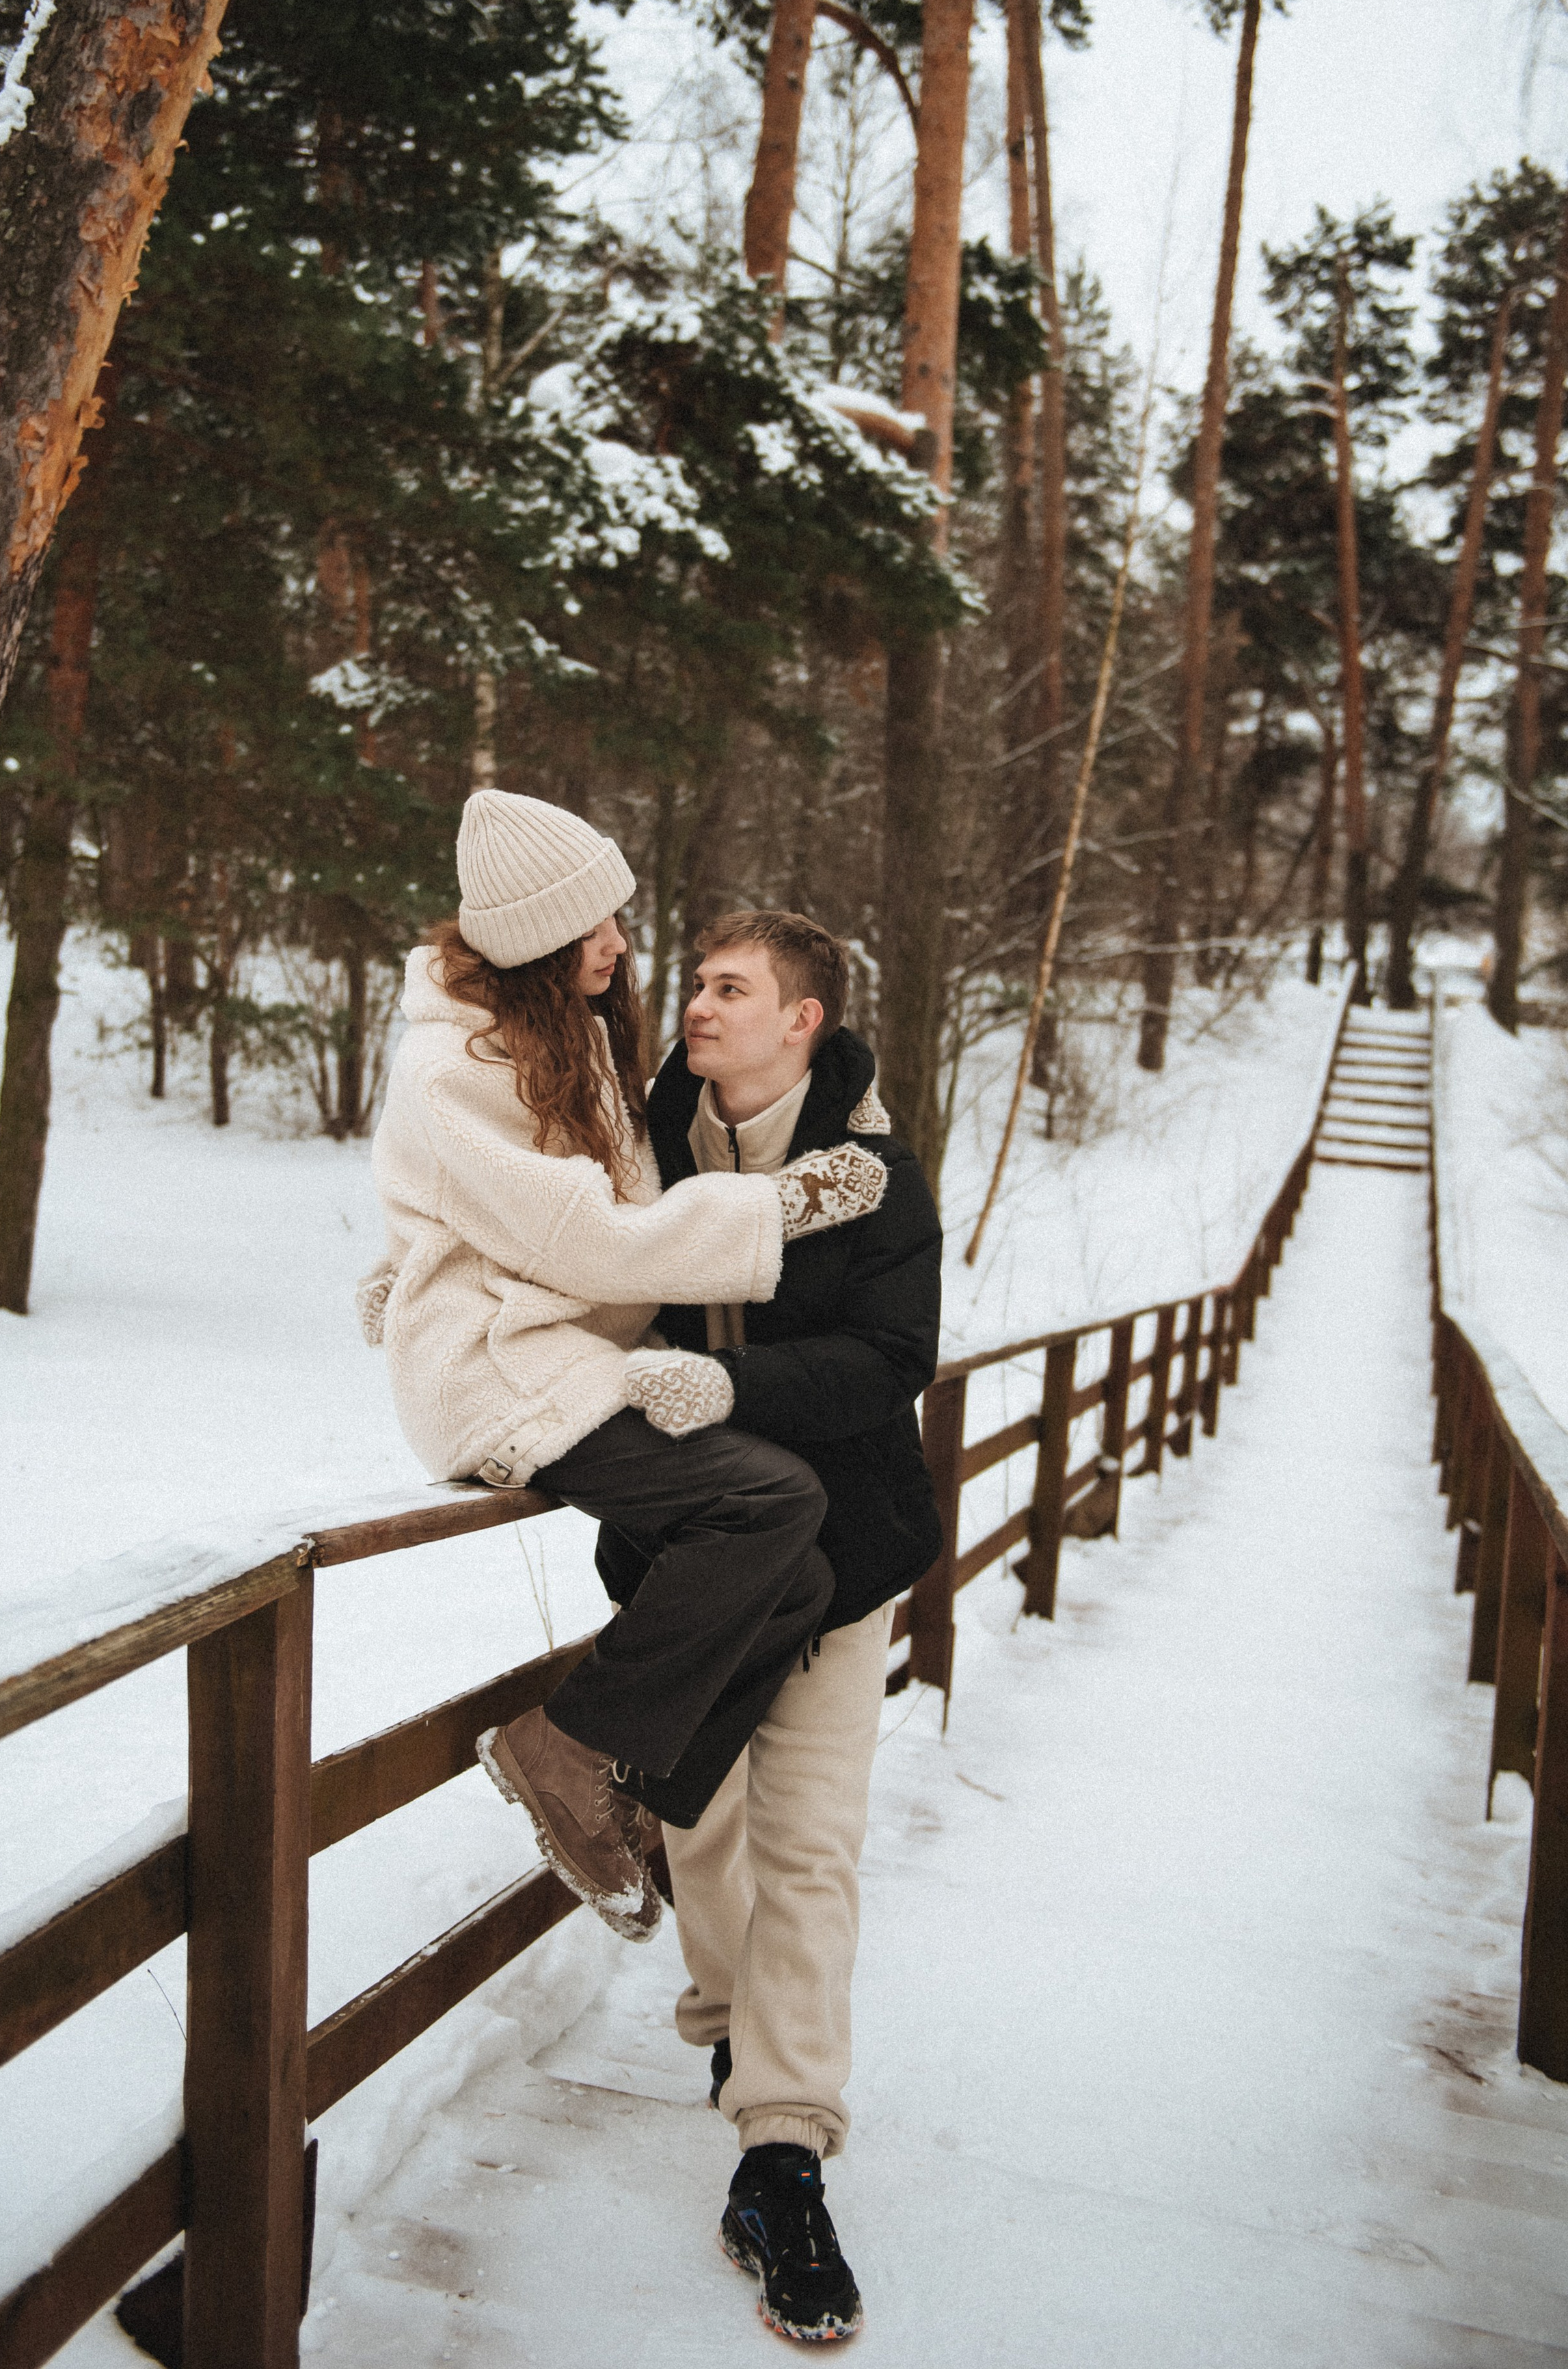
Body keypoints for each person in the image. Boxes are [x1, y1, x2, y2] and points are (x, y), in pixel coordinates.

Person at [363, 790, 890, 1944]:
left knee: (801, 1578)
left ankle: (627, 1792)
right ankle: (563, 1745)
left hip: (567, 1353)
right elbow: (591, 1236)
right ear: (541, 939)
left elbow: (590, 1214)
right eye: (598, 924)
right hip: (496, 1371)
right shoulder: (448, 1069)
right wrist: (786, 1206)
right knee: (772, 1500)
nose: (619, 944)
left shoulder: (563, 1037)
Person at [597, 909, 943, 2345]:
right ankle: (737, 2029)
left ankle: (780, 2154)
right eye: (693, 983)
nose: (698, 1004)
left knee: (806, 1841)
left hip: (844, 1557)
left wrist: (727, 1392)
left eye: (731, 988)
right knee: (702, 1827)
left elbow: (887, 1358)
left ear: (802, 1018)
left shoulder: (873, 1172)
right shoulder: (640, 1155)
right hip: (694, 1564)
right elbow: (576, 1289)